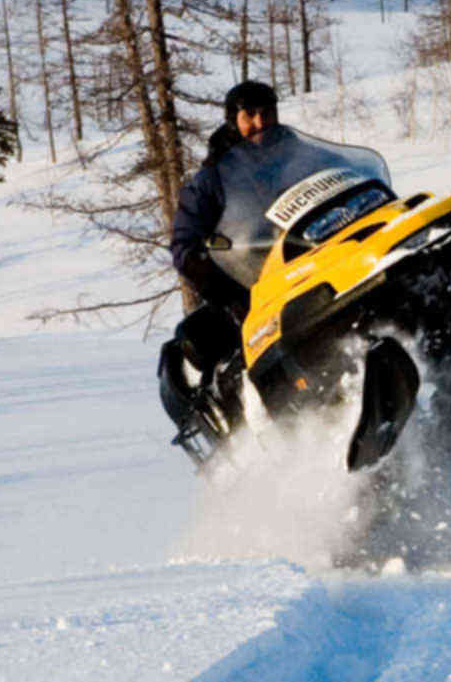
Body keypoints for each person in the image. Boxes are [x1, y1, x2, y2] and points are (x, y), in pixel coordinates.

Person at [156, 81, 389, 451]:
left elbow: (346, 175)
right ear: (233, 120)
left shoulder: (300, 153)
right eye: (249, 115)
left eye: (267, 112)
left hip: (329, 258)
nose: (260, 122)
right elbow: (185, 246)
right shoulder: (212, 179)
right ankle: (298, 435)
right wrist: (231, 294)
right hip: (261, 283)